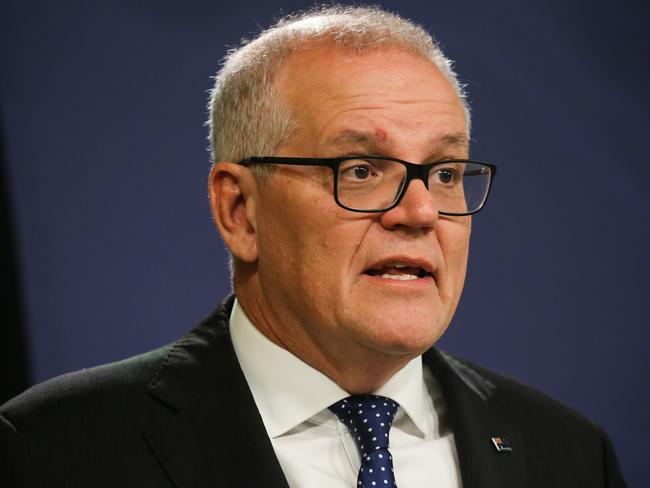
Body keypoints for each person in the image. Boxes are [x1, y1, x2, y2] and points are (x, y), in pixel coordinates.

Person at [0, 5, 625, 487]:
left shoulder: (567, 453)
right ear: (239, 210)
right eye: (360, 170)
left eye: (444, 172)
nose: (421, 212)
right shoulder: (53, 448)